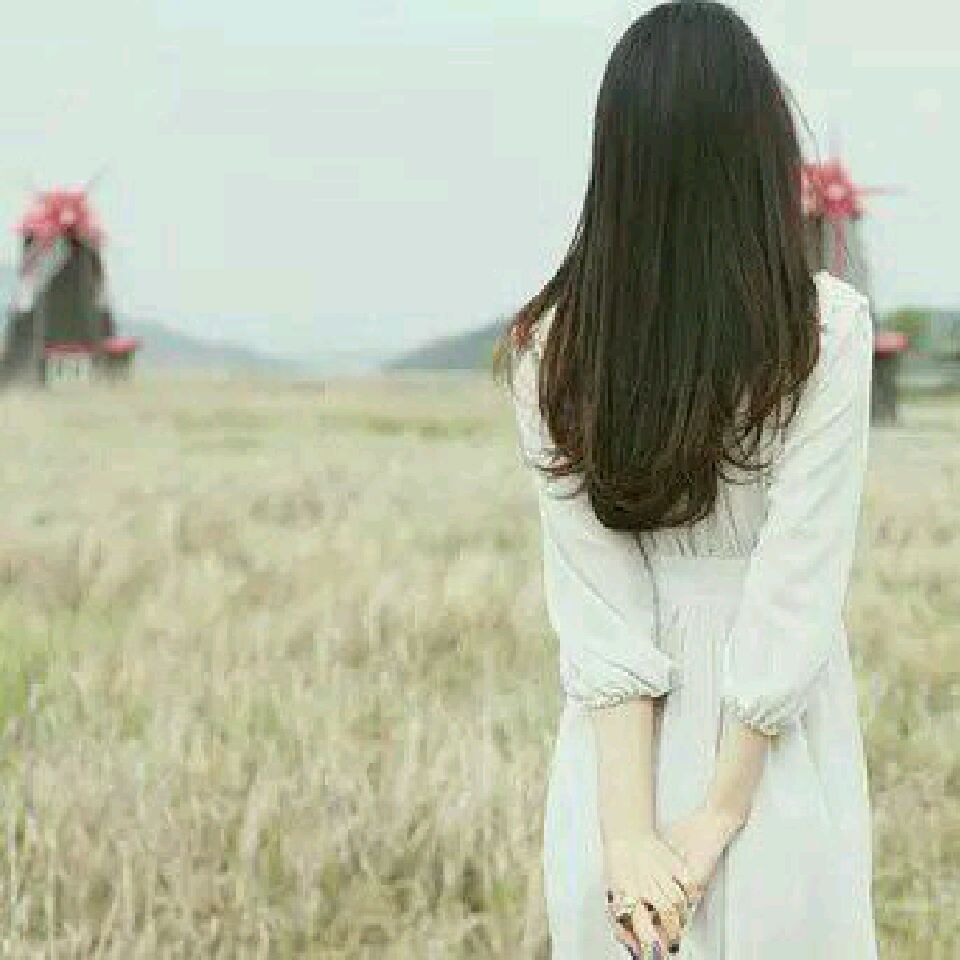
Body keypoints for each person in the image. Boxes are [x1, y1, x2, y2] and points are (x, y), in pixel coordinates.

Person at [492, 3, 879, 957]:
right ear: (761, 152)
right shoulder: (825, 332)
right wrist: (717, 814)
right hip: (774, 751)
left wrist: (627, 836)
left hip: (619, 755)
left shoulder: (552, 349)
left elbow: (603, 612)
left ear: (616, 159)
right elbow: (793, 590)